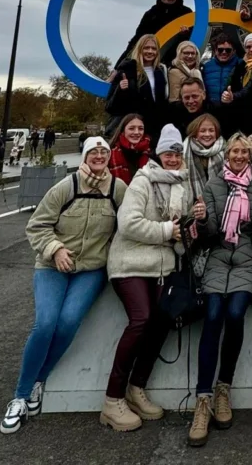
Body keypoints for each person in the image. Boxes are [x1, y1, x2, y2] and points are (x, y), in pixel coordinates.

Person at [0, 136, 125, 434]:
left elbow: (128, 223)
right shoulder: (65, 187)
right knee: (45, 323)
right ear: (84, 156)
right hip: (52, 265)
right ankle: (20, 394)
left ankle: (39, 379)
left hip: (90, 268)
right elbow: (37, 225)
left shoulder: (118, 189)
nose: (98, 156)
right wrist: (55, 249)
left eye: (103, 152)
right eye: (93, 152)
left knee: (68, 322)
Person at [102, 124, 194, 431]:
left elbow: (180, 236)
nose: (172, 158)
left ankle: (137, 386)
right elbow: (128, 224)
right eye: (168, 152)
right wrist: (168, 232)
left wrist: (186, 233)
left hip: (161, 266)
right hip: (128, 263)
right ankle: (112, 399)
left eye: (177, 153)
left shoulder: (184, 184)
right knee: (141, 319)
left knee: (163, 318)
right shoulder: (142, 181)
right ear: (159, 154)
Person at [187, 133, 252, 446]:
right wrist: (204, 217)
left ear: (249, 155)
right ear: (227, 155)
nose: (238, 155)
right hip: (218, 256)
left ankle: (224, 387)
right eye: (233, 151)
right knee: (212, 315)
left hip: (247, 256)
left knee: (235, 313)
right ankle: (203, 399)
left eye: (242, 151)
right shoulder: (214, 183)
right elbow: (208, 233)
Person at [105, 34, 170, 146]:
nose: (150, 51)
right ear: (139, 49)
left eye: (154, 48)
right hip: (134, 128)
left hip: (155, 128)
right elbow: (110, 106)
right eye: (146, 48)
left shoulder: (161, 71)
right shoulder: (126, 70)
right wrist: (120, 89)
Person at [114, 0, 192, 68]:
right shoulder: (151, 13)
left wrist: (185, 34)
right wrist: (121, 62)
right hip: (151, 58)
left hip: (174, 59)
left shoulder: (186, 13)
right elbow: (138, 37)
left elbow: (192, 38)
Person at [183, 113, 226, 202]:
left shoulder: (226, 151)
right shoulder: (184, 150)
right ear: (195, 133)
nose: (207, 134)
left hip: (220, 202)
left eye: (211, 130)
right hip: (193, 203)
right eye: (202, 131)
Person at [109, 114, 151, 186]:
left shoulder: (151, 153)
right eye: (131, 128)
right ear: (123, 130)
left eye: (140, 128)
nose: (136, 132)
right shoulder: (109, 153)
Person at [202, 31, 242, 103]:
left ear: (233, 51)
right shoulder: (207, 67)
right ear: (215, 51)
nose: (224, 52)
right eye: (220, 50)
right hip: (211, 110)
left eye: (228, 50)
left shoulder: (241, 65)